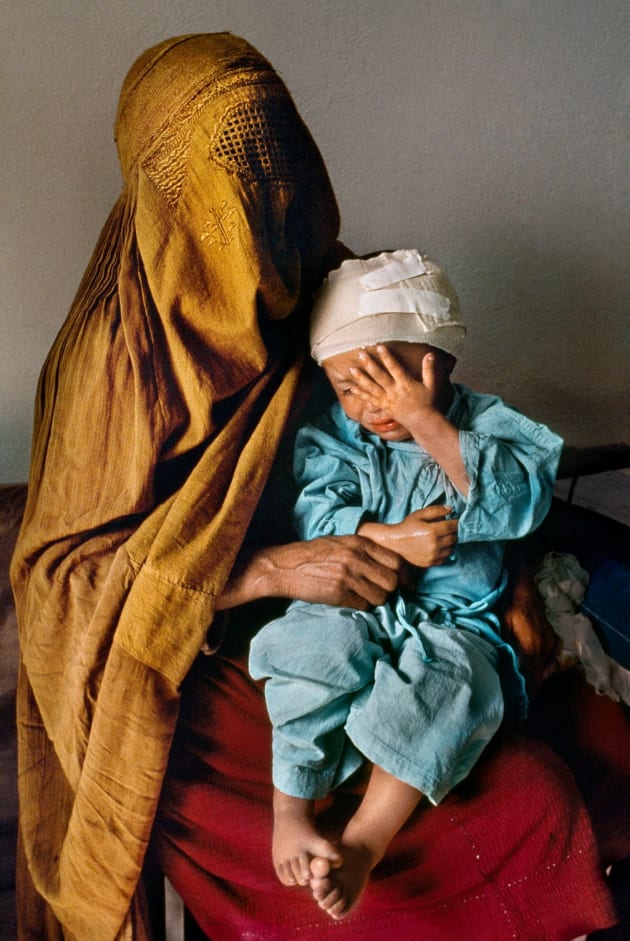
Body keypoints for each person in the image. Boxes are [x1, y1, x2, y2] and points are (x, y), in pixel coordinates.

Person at [10, 33, 626, 941]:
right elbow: (62, 589)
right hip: (209, 656)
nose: (264, 238)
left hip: (419, 600)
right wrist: (274, 572)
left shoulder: (331, 287)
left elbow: (448, 425)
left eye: (278, 190)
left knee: (605, 746)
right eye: (233, 207)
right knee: (520, 800)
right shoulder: (111, 368)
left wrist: (511, 575)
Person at [248, 249, 564, 919]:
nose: (369, 406)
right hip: (356, 600)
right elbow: (316, 511)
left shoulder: (491, 426)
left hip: (458, 619)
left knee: (456, 687)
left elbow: (524, 501)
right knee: (307, 643)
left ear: (441, 359)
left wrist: (428, 423)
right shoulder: (335, 437)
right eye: (347, 387)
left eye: (388, 381)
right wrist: (388, 539)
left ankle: (362, 840)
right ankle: (292, 806)